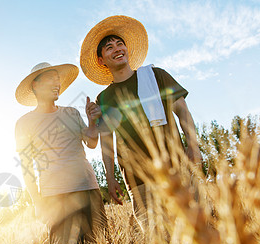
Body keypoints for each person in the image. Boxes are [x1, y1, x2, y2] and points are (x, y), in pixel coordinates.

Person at [79, 15, 202, 213]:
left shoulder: (156, 76)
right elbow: (107, 142)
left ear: (127, 50)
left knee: (197, 229)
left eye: (120, 44)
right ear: (101, 60)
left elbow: (183, 112)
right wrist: (110, 179)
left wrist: (193, 146)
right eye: (109, 47)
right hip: (139, 180)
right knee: (156, 241)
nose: (117, 48)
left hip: (177, 169)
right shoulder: (103, 98)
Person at [14, 62, 107, 244]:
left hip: (87, 188)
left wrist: (93, 121)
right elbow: (26, 168)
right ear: (34, 85)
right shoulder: (24, 123)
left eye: (58, 79)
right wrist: (37, 203)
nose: (57, 83)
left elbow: (91, 141)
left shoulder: (71, 112)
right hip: (55, 197)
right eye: (50, 79)